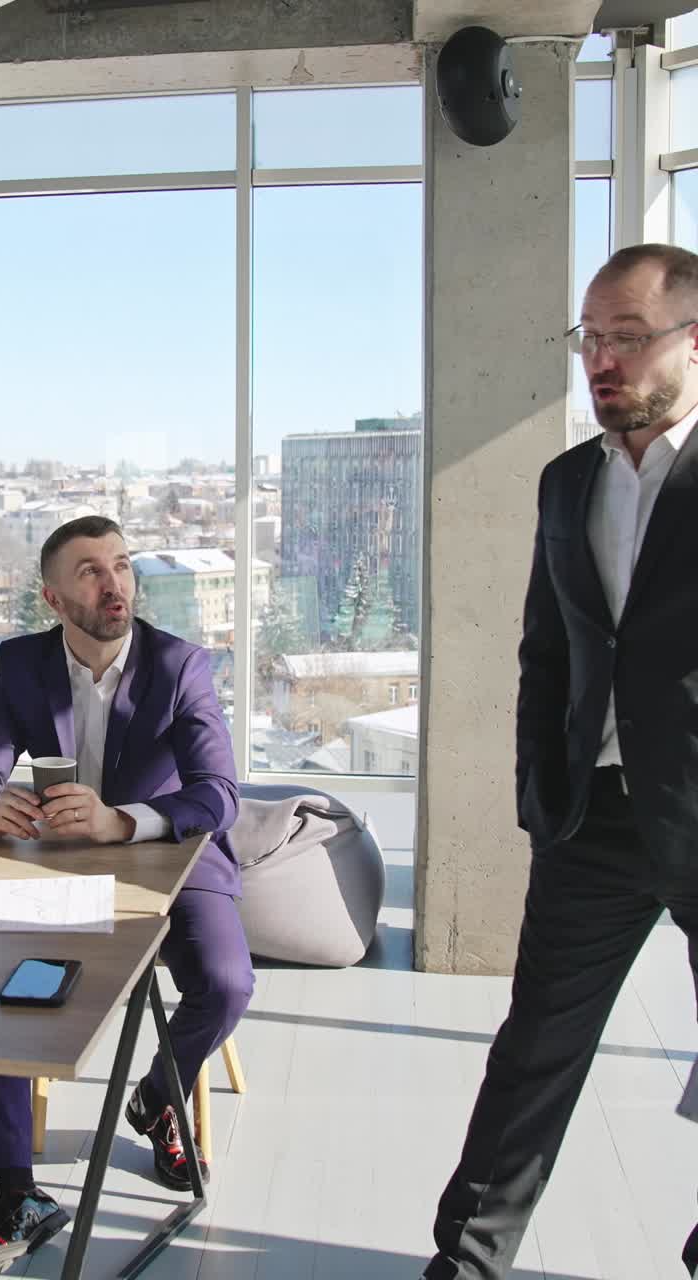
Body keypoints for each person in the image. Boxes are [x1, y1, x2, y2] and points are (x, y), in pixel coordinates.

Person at [422, 243, 698, 1280]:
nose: (601, 359)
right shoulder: (564, 480)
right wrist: (539, 793)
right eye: (589, 337)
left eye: (626, 336)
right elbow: (548, 648)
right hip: (594, 817)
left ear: (691, 340)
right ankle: (465, 1259)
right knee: (533, 1048)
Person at [0, 515, 253, 1276]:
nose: (113, 583)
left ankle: (157, 1097)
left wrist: (125, 821)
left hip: (170, 855)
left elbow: (219, 794)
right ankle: (16, 1189)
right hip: (57, 865)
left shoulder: (180, 665)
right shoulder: (23, 664)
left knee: (225, 982)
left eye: (120, 565)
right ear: (53, 597)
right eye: (89, 571)